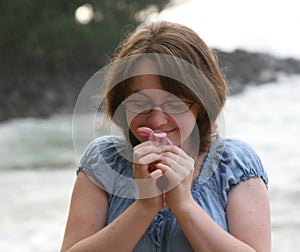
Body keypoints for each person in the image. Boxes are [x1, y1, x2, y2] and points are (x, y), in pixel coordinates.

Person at [61, 21, 271, 251]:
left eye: (174, 103)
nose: (157, 121)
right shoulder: (103, 159)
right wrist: (144, 207)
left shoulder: (234, 164)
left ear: (201, 103)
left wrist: (183, 205)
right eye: (140, 103)